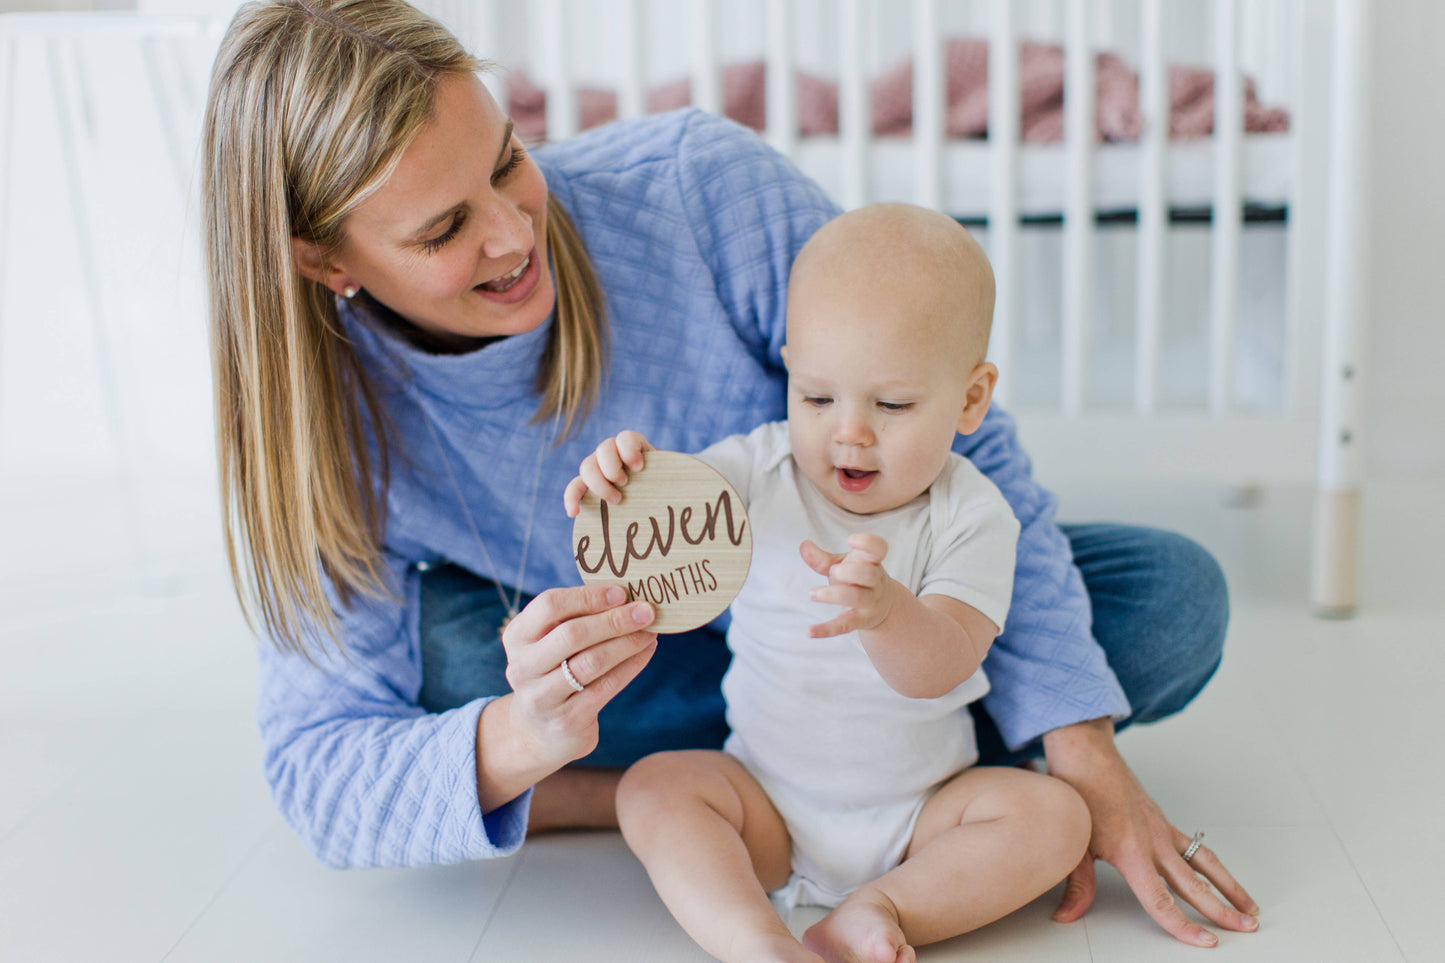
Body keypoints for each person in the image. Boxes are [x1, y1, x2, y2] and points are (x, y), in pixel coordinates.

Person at [202, 0, 1257, 947]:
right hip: (636, 684)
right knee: (454, 661)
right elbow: (316, 775)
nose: (517, 230)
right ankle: (679, 787)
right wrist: (528, 735)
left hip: (852, 636)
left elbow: (968, 455)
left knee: (1164, 601)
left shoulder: (691, 187)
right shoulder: (327, 429)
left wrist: (1084, 756)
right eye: (442, 228)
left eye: (509, 159)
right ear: (324, 261)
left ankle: (815, 776)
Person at [563, 203, 1091, 963]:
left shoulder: (972, 512)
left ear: (970, 398)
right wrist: (621, 480)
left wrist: (886, 611)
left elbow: (940, 664)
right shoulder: (757, 466)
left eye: (893, 404)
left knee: (1054, 816)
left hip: (923, 816)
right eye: (816, 396)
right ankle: (755, 938)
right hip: (764, 802)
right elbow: (669, 512)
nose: (848, 430)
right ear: (788, 372)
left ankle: (884, 907)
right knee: (652, 788)